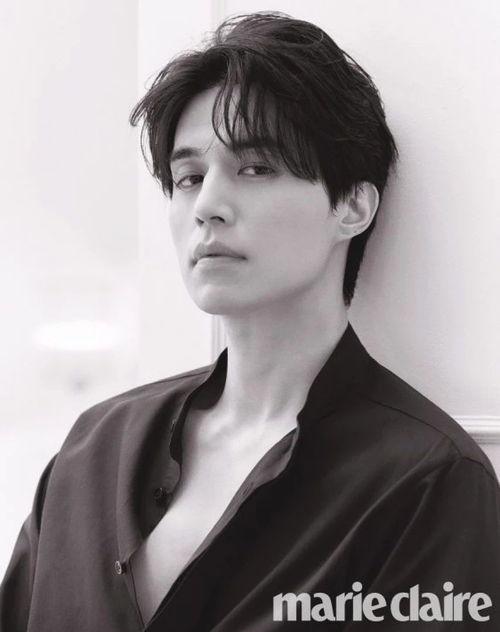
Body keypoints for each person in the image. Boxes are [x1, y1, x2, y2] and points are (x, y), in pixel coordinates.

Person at [1, 11, 499, 632]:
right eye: (188, 177)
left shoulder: (428, 483)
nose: (207, 205)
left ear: (351, 205)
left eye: (256, 169)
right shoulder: (92, 449)